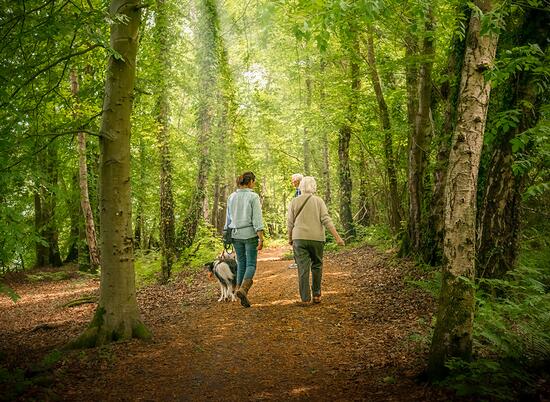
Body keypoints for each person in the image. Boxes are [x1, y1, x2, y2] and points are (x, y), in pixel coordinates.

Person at [287, 176, 345, 304]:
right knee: (317, 265)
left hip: (299, 238)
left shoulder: (294, 202)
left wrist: (290, 238)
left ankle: (305, 298)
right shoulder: (319, 201)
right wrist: (338, 238)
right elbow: (326, 220)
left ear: (301, 186)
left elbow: (290, 223)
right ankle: (317, 295)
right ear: (314, 186)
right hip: (317, 239)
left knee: (303, 268)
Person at [224, 171, 265, 308]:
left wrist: (226, 233)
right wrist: (261, 237)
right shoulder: (253, 196)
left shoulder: (231, 197)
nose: (254, 183)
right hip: (249, 234)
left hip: (235, 234)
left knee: (241, 262)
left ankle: (238, 290)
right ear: (250, 182)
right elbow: (257, 219)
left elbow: (228, 219)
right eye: (254, 181)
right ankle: (244, 289)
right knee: (251, 264)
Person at [288, 173, 303, 269]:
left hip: (298, 220)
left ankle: (298, 262)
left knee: (297, 241)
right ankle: (299, 262)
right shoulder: (300, 190)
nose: (292, 182)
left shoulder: (299, 191)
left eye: (293, 180)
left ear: (298, 181)